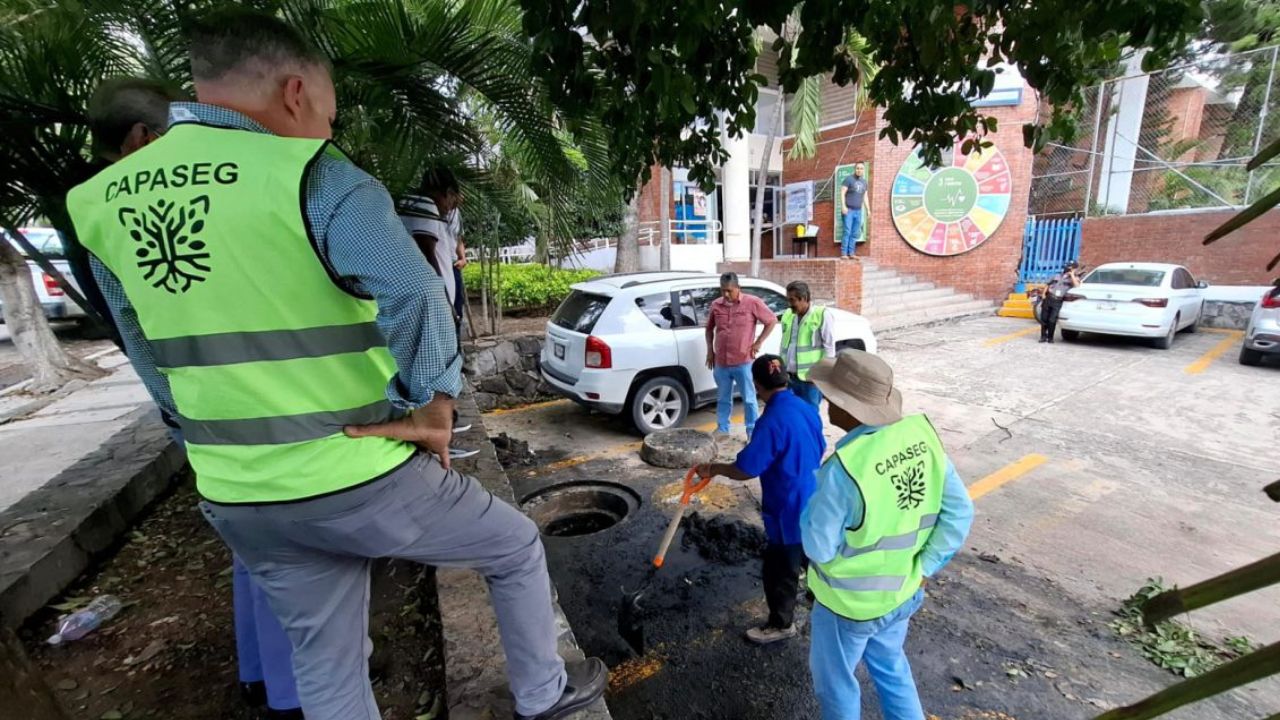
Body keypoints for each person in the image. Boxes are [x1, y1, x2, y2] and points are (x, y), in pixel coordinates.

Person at [66, 10, 605, 720]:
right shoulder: (312, 175)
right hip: (356, 472)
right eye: (328, 112)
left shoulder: (97, 202)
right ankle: (545, 695)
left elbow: (146, 352)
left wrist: (210, 445)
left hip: (238, 493)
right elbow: (413, 293)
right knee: (511, 547)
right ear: (295, 93)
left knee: (325, 665)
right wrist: (433, 409)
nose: (327, 128)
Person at [87, 77, 303, 719]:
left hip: (203, 412)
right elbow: (144, 333)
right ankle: (290, 692)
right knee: (283, 554)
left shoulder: (96, 205)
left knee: (251, 547)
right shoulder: (122, 209)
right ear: (143, 139)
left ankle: (260, 675)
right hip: (228, 412)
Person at [802, 350, 974, 720]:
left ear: (847, 408)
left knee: (835, 684)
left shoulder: (844, 471)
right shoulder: (921, 440)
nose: (827, 403)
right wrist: (925, 567)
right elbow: (960, 513)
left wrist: (807, 508)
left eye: (830, 396)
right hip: (903, 592)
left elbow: (818, 546)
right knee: (892, 669)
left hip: (847, 605)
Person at [694, 354, 825, 644]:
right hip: (815, 496)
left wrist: (713, 469)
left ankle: (781, 624)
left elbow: (746, 468)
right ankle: (823, 603)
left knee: (779, 569)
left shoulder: (771, 421)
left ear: (756, 384)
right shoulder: (806, 407)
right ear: (785, 380)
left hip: (787, 507)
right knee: (814, 556)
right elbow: (820, 445)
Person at [399, 169, 476, 459]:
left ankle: (442, 431)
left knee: (437, 371)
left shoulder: (423, 207)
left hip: (431, 304)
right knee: (435, 373)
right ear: (445, 192)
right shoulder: (423, 206)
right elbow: (428, 256)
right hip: (431, 305)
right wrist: (442, 304)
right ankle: (437, 440)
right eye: (453, 197)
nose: (453, 204)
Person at [705, 272, 776, 439]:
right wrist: (710, 351)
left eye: (729, 290)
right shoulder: (716, 305)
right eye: (722, 290)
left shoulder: (752, 303)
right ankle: (723, 429)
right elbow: (709, 329)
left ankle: (752, 431)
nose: (726, 294)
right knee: (723, 398)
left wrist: (758, 342)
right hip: (721, 362)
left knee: (749, 399)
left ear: (738, 288)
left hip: (743, 361)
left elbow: (771, 320)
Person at [780, 280, 835, 408]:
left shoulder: (821, 315)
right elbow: (783, 346)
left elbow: (830, 348)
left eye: (792, 300)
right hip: (789, 378)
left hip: (810, 381)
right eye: (788, 300)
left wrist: (822, 377)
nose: (789, 304)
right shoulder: (788, 315)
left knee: (810, 416)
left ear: (804, 298)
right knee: (793, 415)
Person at [1040, 261, 1081, 343]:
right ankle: (1043, 336)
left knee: (1052, 320)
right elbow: (1048, 284)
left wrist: (1072, 274)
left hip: (1058, 300)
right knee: (1044, 319)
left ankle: (1050, 338)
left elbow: (1077, 285)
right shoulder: (1057, 275)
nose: (1067, 268)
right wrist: (1044, 294)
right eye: (1067, 266)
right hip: (1049, 298)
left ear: (1074, 269)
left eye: (1070, 267)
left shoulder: (1074, 278)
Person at [839, 163, 868, 258]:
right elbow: (842, 193)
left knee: (855, 232)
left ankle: (851, 253)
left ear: (863, 170)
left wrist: (868, 209)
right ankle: (844, 253)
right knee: (847, 231)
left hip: (858, 211)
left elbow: (865, 196)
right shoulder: (849, 179)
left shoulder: (864, 182)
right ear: (855, 169)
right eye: (857, 168)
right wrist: (843, 206)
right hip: (848, 210)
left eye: (861, 168)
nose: (859, 170)